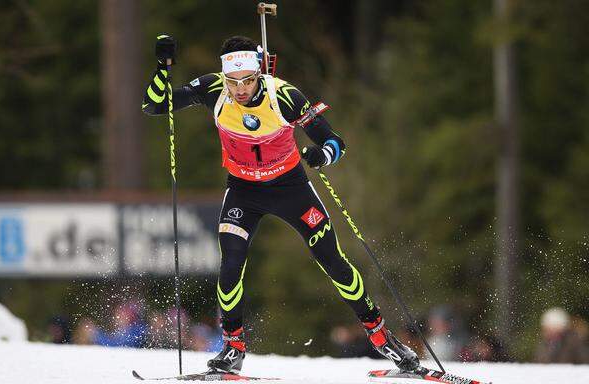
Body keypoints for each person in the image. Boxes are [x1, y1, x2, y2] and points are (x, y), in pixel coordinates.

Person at [142, 34, 420, 374]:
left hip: (291, 188)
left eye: (246, 81)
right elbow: (155, 105)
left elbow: (335, 142)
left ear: (259, 74)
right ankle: (233, 347)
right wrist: (162, 68)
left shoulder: (284, 96)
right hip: (244, 190)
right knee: (231, 262)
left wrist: (322, 155)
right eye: (233, 82)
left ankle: (382, 338)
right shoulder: (214, 89)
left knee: (333, 262)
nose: (239, 89)